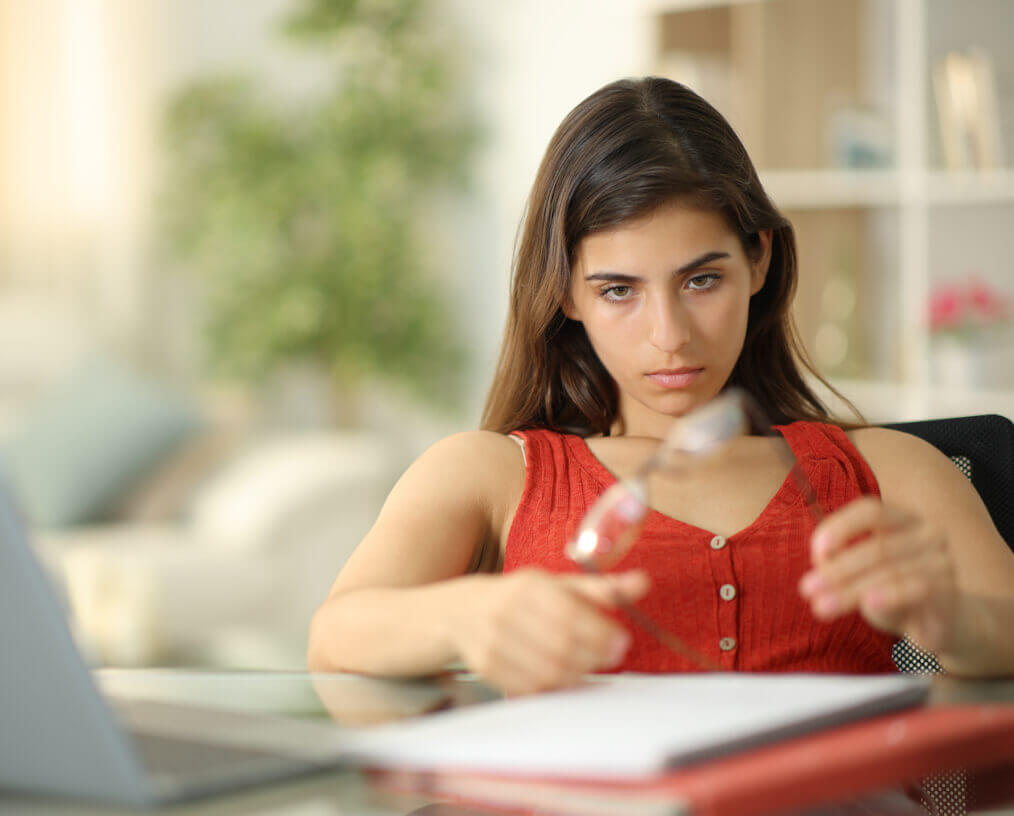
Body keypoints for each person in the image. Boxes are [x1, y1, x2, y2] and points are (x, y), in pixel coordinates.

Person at [306, 77, 1014, 695]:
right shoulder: (490, 474)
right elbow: (336, 636)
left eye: (701, 279)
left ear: (758, 259)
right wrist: (463, 615)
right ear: (565, 295)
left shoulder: (891, 471)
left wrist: (949, 618)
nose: (669, 334)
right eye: (619, 291)